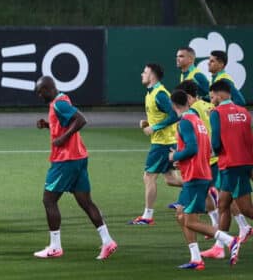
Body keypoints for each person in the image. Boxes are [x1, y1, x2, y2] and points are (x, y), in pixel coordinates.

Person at [33, 76, 117, 260]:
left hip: (66, 160)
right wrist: (49, 126)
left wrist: (63, 139)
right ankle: (107, 241)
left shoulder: (59, 104)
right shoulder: (62, 99)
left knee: (49, 200)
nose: (39, 95)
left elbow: (80, 120)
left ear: (48, 88)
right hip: (78, 157)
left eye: (40, 91)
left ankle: (55, 247)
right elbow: (66, 123)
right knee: (85, 202)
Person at [169, 89, 241, 269]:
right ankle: (196, 258)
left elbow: (192, 148)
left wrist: (175, 156)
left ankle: (230, 241)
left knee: (189, 220)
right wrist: (183, 161)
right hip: (201, 172)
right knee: (180, 215)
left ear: (173, 105)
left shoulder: (185, 122)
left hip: (195, 176)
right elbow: (207, 148)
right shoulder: (198, 121)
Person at [203, 81, 253, 262]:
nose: (212, 100)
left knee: (234, 207)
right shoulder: (244, 112)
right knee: (233, 206)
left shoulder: (217, 113)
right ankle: (219, 247)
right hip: (246, 162)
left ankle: (220, 247)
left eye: (213, 96)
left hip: (231, 164)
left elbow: (216, 142)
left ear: (221, 95)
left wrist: (210, 152)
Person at [129, 63, 182, 225]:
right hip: (166, 142)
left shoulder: (159, 94)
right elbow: (161, 115)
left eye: (144, 72)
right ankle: (206, 187)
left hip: (162, 144)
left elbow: (175, 115)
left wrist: (155, 127)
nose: (142, 74)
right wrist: (148, 122)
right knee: (171, 180)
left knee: (149, 176)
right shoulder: (151, 93)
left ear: (152, 75)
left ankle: (147, 216)